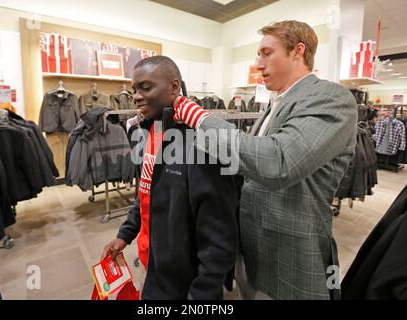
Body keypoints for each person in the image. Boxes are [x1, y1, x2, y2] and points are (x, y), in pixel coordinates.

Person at [173, 20, 358, 300]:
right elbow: (249, 164)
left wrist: (201, 119)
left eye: (266, 53)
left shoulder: (332, 98)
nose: (258, 63)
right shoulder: (275, 103)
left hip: (289, 259)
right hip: (251, 248)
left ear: (298, 51)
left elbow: (278, 162)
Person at [101, 55, 239, 300]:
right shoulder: (149, 132)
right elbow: (145, 193)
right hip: (151, 266)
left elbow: (219, 239)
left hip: (185, 286)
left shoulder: (203, 143)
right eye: (135, 89)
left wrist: (200, 295)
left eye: (146, 87)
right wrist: (126, 234)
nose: (136, 96)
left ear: (174, 87)